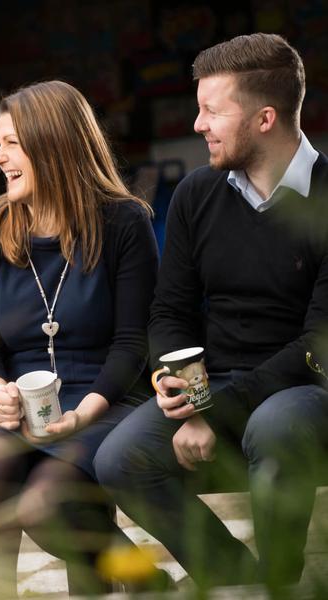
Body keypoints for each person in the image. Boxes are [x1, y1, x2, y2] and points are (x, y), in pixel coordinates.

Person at [95, 32, 328, 591]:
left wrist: (209, 411)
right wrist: (186, 397)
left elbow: (316, 343)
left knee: (273, 428)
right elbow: (169, 312)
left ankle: (279, 584)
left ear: (265, 118)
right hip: (216, 384)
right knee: (119, 459)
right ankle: (235, 579)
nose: (198, 124)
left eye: (211, 110)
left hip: (306, 391)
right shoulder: (199, 193)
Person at [0, 80, 164, 596]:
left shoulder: (123, 221)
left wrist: (84, 413)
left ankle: (141, 582)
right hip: (21, 395)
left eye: (11, 143)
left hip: (105, 391)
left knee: (52, 500)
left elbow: (133, 342)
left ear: (53, 143)